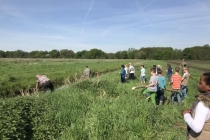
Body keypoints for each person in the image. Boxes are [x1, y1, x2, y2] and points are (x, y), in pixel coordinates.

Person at [182, 72, 210, 139]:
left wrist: (186, 114)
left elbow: (197, 128)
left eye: (200, 83)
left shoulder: (203, 104)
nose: (198, 84)